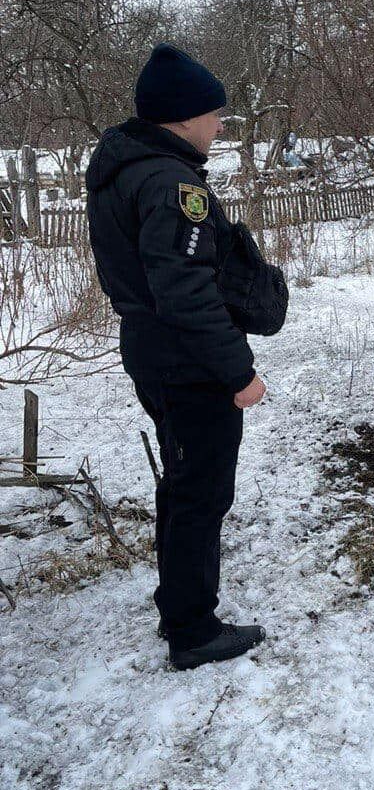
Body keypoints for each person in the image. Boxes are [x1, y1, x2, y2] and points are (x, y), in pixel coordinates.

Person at [86, 44, 268, 669]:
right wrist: (237, 373)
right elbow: (185, 292)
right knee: (199, 492)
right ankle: (193, 630)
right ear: (182, 117)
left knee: (182, 482)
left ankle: (179, 602)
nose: (220, 126)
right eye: (214, 114)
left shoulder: (130, 168)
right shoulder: (170, 183)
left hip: (155, 351)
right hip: (186, 363)